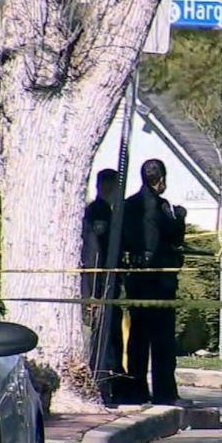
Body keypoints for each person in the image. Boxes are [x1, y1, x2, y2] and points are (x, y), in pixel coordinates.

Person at [122, 159, 190, 406]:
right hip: (160, 283)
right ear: (160, 179)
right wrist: (180, 217)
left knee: (138, 337)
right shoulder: (161, 207)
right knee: (162, 339)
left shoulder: (127, 206)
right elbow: (174, 238)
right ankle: (164, 391)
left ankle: (136, 388)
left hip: (137, 281)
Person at [82, 169, 126, 402]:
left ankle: (114, 381)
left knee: (113, 335)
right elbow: (94, 255)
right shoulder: (96, 213)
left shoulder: (110, 213)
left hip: (110, 286)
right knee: (102, 339)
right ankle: (101, 383)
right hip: (99, 287)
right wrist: (94, 293)